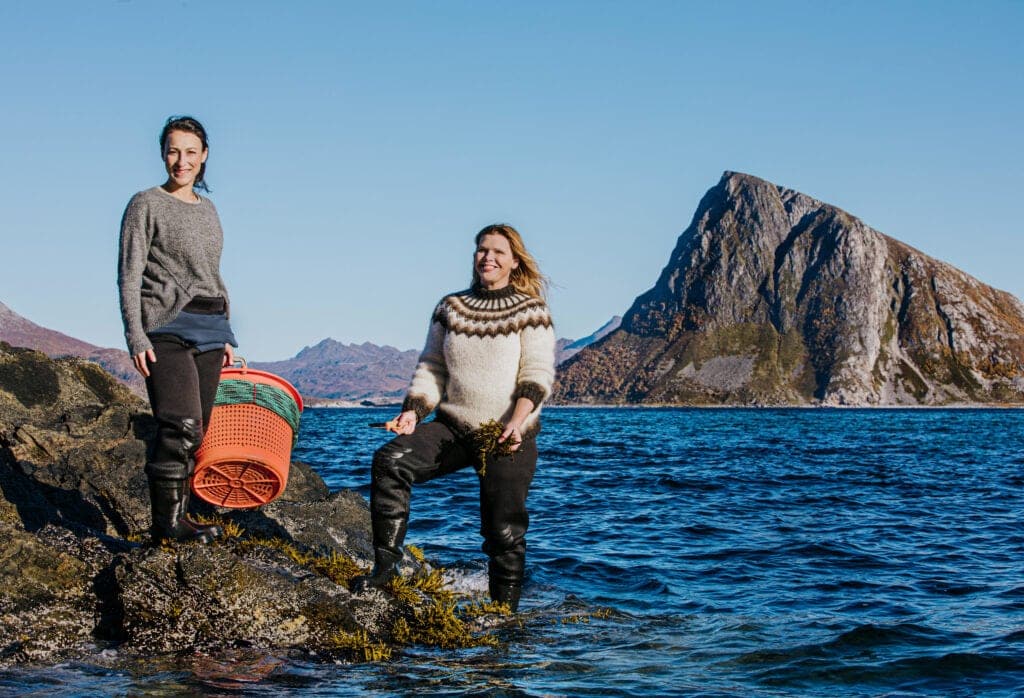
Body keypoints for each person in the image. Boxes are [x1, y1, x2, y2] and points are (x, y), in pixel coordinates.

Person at [351, 224, 556, 611]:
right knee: (390, 461)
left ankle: (503, 615)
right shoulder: (451, 307)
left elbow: (537, 373)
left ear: (514, 262)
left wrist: (517, 420)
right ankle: (385, 572)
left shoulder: (532, 311)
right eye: (481, 250)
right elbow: (432, 368)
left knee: (503, 532)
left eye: (498, 251)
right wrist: (413, 412)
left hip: (507, 434)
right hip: (453, 428)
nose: (487, 258)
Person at [118, 115, 237, 544]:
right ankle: (165, 526)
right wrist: (136, 334)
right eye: (173, 151)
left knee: (199, 428)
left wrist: (226, 333)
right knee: (180, 423)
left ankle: (181, 518)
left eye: (190, 152)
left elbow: (213, 274)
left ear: (204, 157)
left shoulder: (209, 210)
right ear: (163, 153)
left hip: (210, 327)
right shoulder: (145, 204)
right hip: (165, 325)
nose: (181, 161)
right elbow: (129, 274)